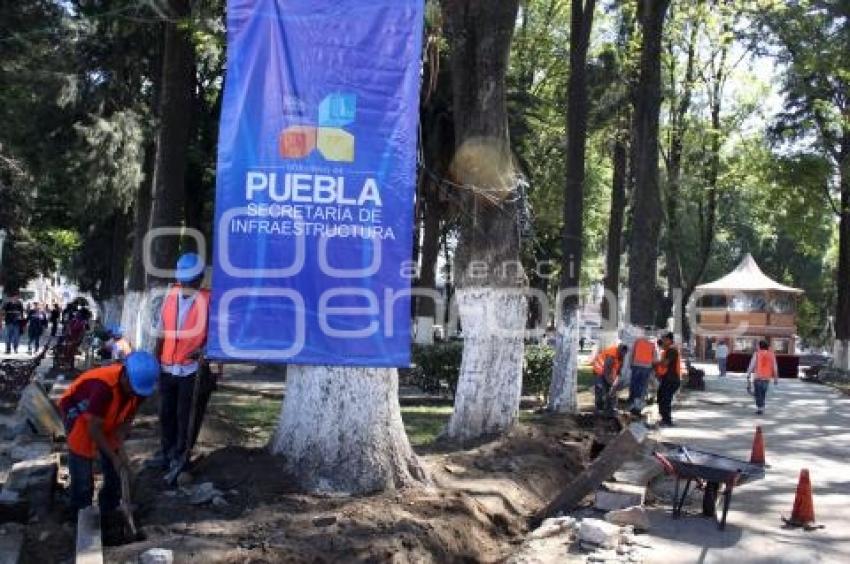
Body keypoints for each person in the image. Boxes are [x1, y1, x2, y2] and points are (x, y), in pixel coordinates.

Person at [58, 351, 159, 516]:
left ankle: (109, 508)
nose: (135, 394)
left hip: (107, 413)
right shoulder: (103, 388)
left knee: (115, 468)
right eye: (133, 390)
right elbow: (93, 428)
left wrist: (120, 443)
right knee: (82, 461)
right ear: (125, 375)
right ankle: (80, 511)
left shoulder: (139, 389)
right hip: (78, 411)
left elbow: (129, 416)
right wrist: (113, 456)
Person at [152, 252, 212, 472]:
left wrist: (204, 350)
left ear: (200, 279)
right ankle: (166, 452)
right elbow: (161, 331)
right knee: (166, 413)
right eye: (184, 280)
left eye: (192, 281)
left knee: (186, 416)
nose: (187, 285)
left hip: (192, 369)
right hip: (167, 367)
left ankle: (181, 456)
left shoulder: (208, 299)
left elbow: (216, 335)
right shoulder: (171, 295)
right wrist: (155, 359)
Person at [653, 332, 681, 427]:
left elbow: (665, 363)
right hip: (667, 379)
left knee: (665, 399)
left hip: (671, 379)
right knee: (661, 397)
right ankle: (664, 419)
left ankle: (667, 421)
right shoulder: (667, 350)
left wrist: (654, 363)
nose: (663, 341)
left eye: (664, 339)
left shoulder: (672, 350)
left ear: (669, 340)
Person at [592, 343, 628, 417]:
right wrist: (611, 383)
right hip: (599, 370)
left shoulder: (622, 356)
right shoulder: (611, 356)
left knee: (612, 391)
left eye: (625, 353)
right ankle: (599, 409)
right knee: (601, 389)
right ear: (619, 351)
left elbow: (618, 371)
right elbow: (606, 372)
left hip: (608, 372)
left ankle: (611, 409)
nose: (624, 354)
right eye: (623, 353)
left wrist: (615, 383)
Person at [746, 340, 778, 415]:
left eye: (758, 345)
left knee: (758, 394)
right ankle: (761, 407)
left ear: (760, 346)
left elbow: (752, 364)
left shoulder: (757, 354)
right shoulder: (771, 354)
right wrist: (776, 378)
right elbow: (775, 367)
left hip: (758, 377)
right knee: (762, 393)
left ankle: (760, 408)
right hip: (767, 378)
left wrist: (748, 373)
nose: (757, 346)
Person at [627, 333, 656, 416]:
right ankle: (638, 405)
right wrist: (653, 368)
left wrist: (630, 364)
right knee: (642, 386)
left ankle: (632, 403)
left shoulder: (638, 341)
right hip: (646, 367)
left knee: (634, 385)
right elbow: (654, 357)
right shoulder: (652, 343)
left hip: (636, 366)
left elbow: (632, 353)